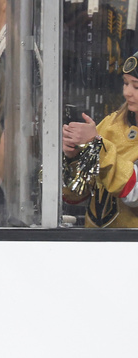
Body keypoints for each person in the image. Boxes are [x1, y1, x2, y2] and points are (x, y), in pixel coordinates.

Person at [61, 49, 138, 228]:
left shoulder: (100, 136)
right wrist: (72, 157)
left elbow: (134, 193)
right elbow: (75, 195)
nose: (127, 92)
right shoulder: (110, 124)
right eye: (125, 83)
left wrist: (97, 145)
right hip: (93, 245)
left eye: (136, 86)